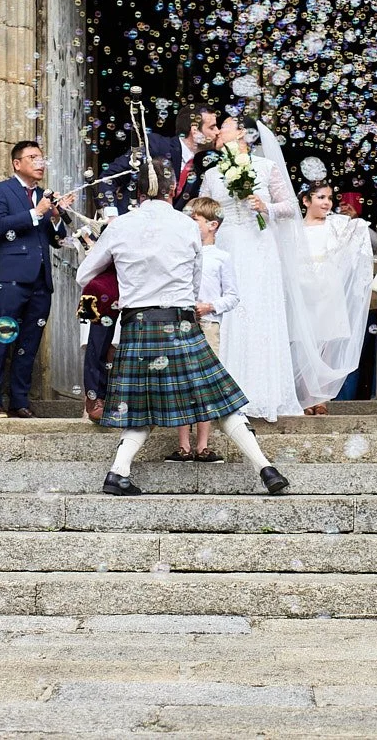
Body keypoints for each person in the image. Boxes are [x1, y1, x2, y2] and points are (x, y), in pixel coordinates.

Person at [78, 156, 287, 497]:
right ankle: (265, 466)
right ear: (173, 188)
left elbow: (83, 275)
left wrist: (126, 276)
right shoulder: (188, 226)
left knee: (139, 409)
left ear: (139, 190)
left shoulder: (119, 227)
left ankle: (118, 472)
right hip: (181, 324)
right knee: (220, 402)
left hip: (138, 326)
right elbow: (194, 280)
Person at [202, 118, 303, 422]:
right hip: (225, 247)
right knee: (228, 317)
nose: (218, 130)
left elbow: (291, 207)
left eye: (225, 126)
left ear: (242, 134)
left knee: (257, 314)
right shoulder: (210, 173)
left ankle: (262, 393)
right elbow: (201, 210)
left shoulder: (265, 167)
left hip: (259, 248)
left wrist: (266, 207)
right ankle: (227, 394)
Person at [0, 140, 68, 419]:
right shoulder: (0, 190)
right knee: (2, 336)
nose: (40, 162)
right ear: (17, 163)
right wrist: (38, 212)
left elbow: (57, 240)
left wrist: (56, 218)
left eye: (42, 158)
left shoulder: (45, 195)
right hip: (12, 278)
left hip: (41, 280)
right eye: (33, 157)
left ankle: (19, 400)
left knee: (30, 342)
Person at [281, 178, 371, 416]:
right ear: (306, 200)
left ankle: (321, 399)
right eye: (321, 197)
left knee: (328, 343)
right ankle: (305, 399)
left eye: (330, 198)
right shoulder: (293, 229)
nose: (327, 203)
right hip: (303, 289)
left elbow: (362, 235)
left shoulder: (336, 225)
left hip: (328, 288)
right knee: (302, 342)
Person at [176, 196, 241, 460]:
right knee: (181, 381)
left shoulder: (221, 257)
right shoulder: (181, 253)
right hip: (181, 323)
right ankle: (183, 444)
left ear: (213, 225)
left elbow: (233, 296)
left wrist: (210, 306)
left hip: (209, 324)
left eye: (196, 221)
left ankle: (203, 444)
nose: (191, 225)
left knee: (204, 382)